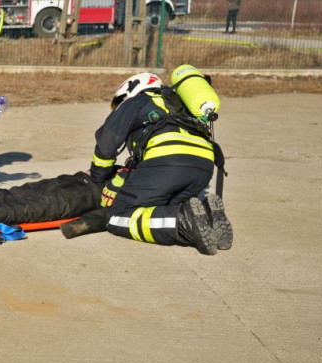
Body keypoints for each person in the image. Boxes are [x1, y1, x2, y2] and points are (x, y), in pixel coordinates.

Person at [65, 71, 232, 254]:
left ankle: (183, 222)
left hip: (167, 161)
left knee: (117, 217)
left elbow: (107, 144)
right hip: (203, 167)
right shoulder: (180, 105)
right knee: (159, 209)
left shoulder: (136, 101)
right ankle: (208, 218)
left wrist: (99, 177)